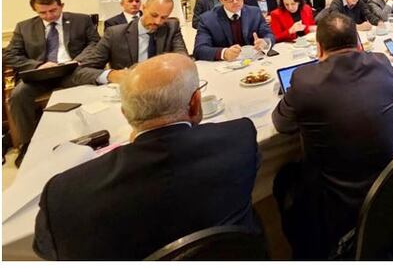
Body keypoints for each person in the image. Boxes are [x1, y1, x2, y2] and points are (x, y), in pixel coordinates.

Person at [33, 54, 264, 260]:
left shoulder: (64, 192)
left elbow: (47, 250)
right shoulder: (239, 138)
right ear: (195, 104)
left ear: (125, 114)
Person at [272, 13, 393, 259]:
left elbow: (281, 123)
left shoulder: (304, 79)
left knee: (284, 179)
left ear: (319, 48)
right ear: (357, 42)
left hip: (338, 198)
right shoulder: (382, 62)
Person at [3, 0, 100, 167]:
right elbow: (10, 54)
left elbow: (95, 43)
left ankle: (94, 134)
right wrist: (38, 65)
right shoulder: (24, 27)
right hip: (40, 74)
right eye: (43, 13)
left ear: (61, 5)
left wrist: (79, 60)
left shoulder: (81, 20)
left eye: (53, 11)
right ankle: (27, 144)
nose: (49, 16)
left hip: (72, 69)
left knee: (97, 79)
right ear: (36, 11)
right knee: (18, 95)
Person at [72, 0, 188, 85]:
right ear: (144, 8)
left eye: (164, 17)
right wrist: (111, 75)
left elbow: (183, 58)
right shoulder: (114, 34)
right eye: (154, 15)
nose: (158, 22)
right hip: (128, 92)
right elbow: (81, 71)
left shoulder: (171, 27)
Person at [193, 0, 275, 61]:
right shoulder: (207, 19)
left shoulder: (254, 12)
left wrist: (265, 42)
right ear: (220, 0)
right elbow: (199, 49)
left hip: (253, 61)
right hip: (225, 66)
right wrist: (224, 53)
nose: (235, 2)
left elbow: (269, 34)